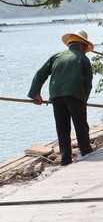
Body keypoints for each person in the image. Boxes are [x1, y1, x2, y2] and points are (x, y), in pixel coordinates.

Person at [27, 30, 94, 166]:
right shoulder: (83, 58)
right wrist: (83, 101)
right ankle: (86, 152)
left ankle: (65, 159)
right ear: (81, 46)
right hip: (75, 95)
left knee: (62, 127)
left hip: (56, 95)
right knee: (80, 124)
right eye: (85, 48)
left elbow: (40, 74)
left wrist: (35, 93)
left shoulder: (57, 56)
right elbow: (88, 82)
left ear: (70, 44)